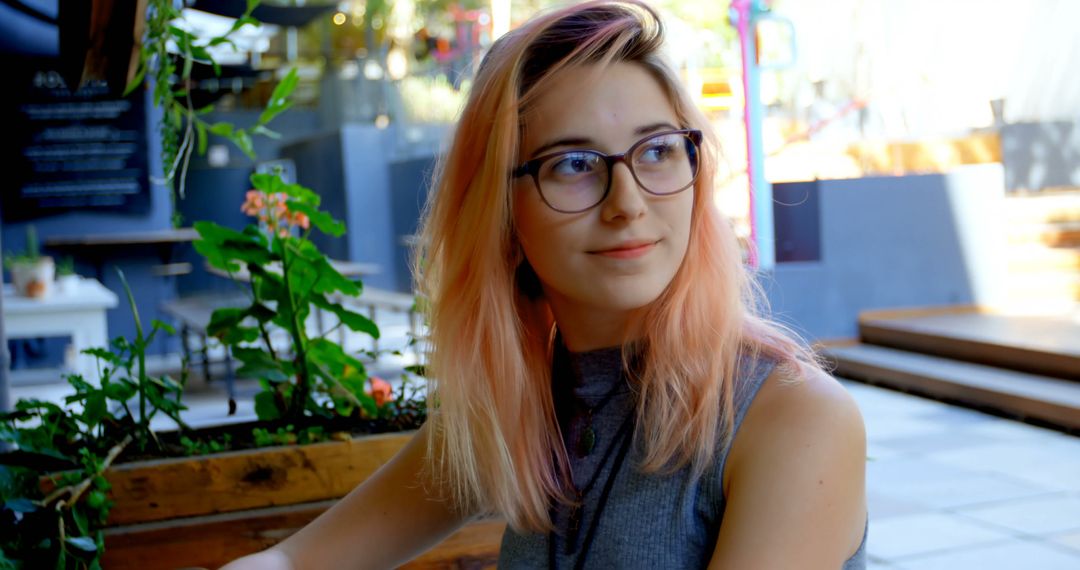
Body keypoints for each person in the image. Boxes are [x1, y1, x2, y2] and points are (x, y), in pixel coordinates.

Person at [222, 1, 867, 568]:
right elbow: (296, 562)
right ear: (500, 212)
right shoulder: (519, 400)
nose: (628, 203)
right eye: (575, 165)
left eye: (658, 150)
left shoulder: (792, 416)